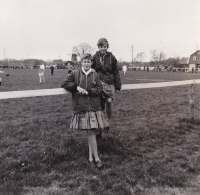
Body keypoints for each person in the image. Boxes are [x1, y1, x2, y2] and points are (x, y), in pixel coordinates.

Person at [61, 53, 109, 168]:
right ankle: (97, 158)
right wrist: (76, 87)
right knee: (90, 132)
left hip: (94, 107)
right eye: (84, 61)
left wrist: (89, 92)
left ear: (91, 63)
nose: (86, 63)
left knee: (91, 131)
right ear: (81, 62)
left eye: (88, 61)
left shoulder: (95, 75)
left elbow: (99, 89)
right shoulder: (75, 74)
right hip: (82, 107)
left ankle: (91, 157)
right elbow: (64, 83)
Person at [91, 38, 121, 121]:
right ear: (98, 47)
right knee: (99, 104)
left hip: (109, 82)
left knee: (109, 101)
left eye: (104, 46)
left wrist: (118, 85)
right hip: (99, 82)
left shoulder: (111, 57)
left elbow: (116, 71)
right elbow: (91, 69)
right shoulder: (95, 57)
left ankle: (109, 120)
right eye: (101, 47)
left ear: (107, 47)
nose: (103, 48)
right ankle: (100, 121)